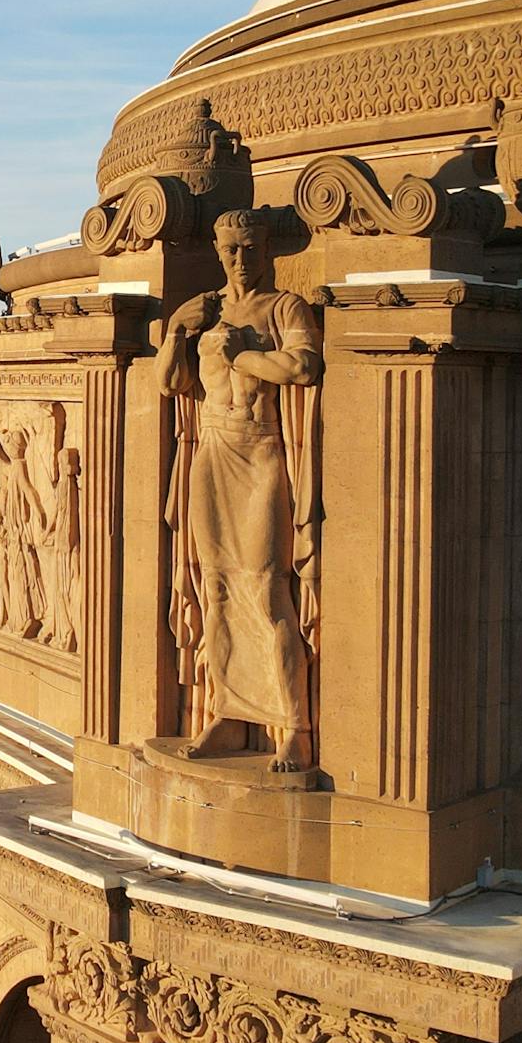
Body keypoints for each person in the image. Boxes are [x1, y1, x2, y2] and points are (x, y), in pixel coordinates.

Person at [157, 209, 322, 770]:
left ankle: (292, 725)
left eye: (250, 248)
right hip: (212, 449)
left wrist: (241, 355)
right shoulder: (206, 309)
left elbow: (302, 367)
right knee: (218, 587)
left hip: (260, 451)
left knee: (266, 586)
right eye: (230, 249)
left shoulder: (283, 307)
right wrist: (178, 331)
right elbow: (171, 383)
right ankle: (230, 714)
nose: (240, 260)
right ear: (216, 249)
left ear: (266, 248)